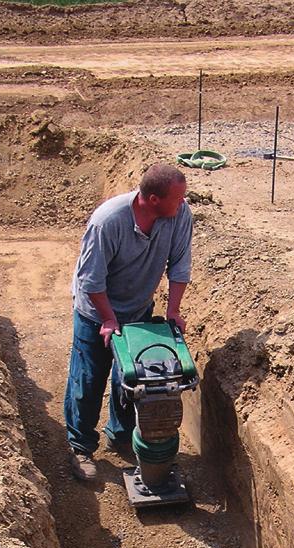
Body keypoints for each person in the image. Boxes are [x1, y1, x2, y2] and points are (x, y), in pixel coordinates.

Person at [64, 163, 192, 481]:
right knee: (88, 382)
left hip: (138, 309)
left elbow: (179, 266)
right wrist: (108, 319)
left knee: (134, 381)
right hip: (96, 311)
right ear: (152, 199)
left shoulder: (179, 215)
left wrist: (173, 310)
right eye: (177, 199)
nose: (183, 203)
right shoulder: (108, 222)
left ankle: (121, 436)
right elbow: (91, 281)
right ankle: (80, 446)